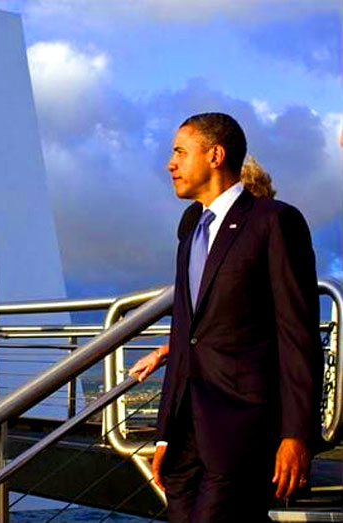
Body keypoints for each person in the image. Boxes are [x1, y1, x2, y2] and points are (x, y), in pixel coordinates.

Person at [152, 112, 321, 522]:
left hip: (243, 425)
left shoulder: (274, 221)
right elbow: (185, 328)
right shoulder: (191, 227)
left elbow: (297, 333)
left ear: (215, 155)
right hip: (186, 434)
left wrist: (296, 434)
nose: (170, 163)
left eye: (179, 151)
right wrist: (162, 436)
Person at [129, 154, 278, 382]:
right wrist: (163, 352)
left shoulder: (269, 241)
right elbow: (205, 325)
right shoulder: (195, 231)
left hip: (242, 383)